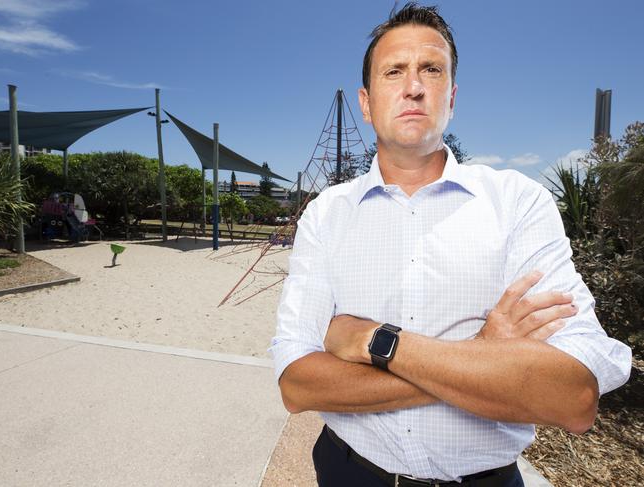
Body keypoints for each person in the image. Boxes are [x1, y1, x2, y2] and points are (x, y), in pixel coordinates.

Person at [270, 3, 632, 486]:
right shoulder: (327, 213)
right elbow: (297, 385)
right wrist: (482, 356)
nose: (413, 86)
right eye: (394, 71)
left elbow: (571, 398)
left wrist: (377, 341)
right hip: (348, 472)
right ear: (365, 100)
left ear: (452, 95)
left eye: (431, 70)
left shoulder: (518, 204)